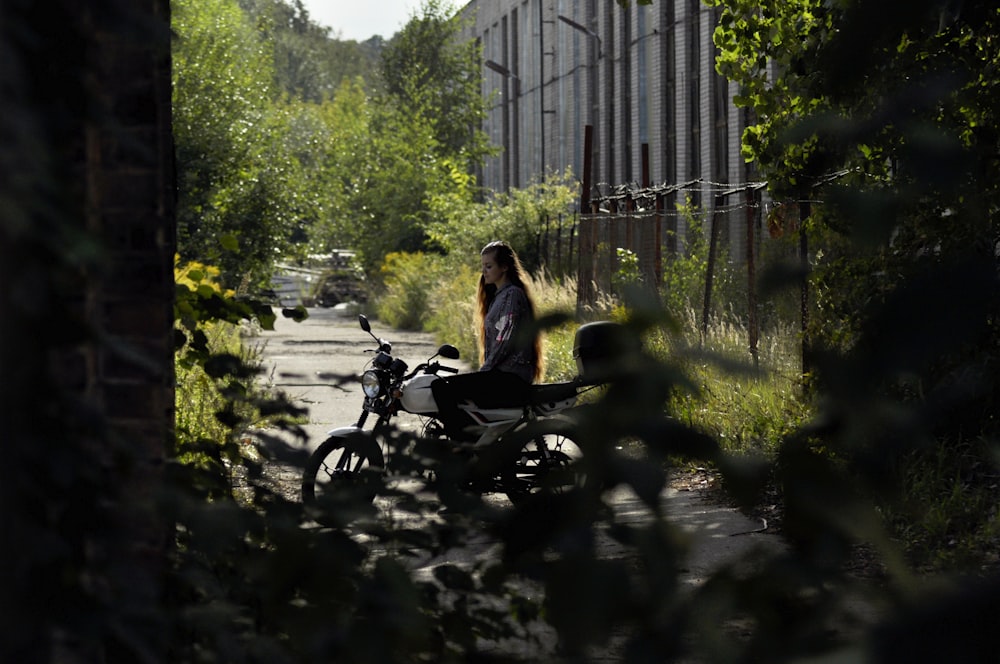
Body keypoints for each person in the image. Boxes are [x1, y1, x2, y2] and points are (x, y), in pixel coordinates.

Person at [431, 240, 544, 441]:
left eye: (489, 266)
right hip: (502, 375)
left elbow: (504, 341)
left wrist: (484, 371)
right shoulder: (499, 296)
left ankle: (464, 447)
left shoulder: (512, 296)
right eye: (482, 266)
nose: (484, 271)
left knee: (441, 388)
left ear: (505, 267)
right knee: (443, 388)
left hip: (511, 378)